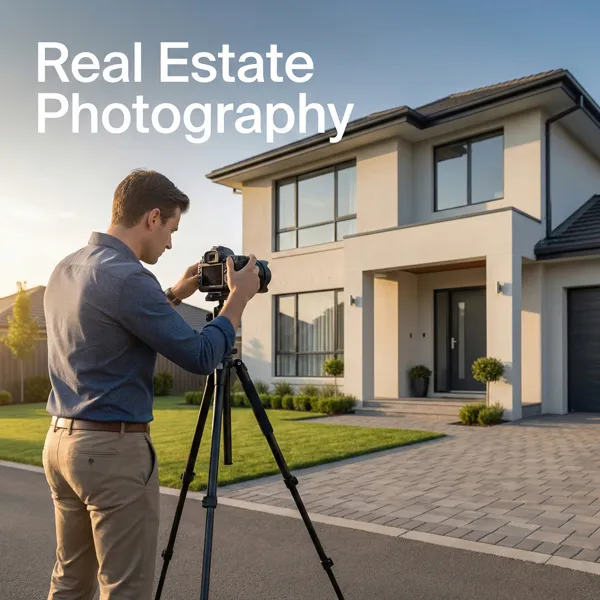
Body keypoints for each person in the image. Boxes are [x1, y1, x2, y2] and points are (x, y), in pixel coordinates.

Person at [41, 169, 259, 600]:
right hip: (111, 454)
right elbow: (200, 356)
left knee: (69, 582)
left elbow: (118, 317)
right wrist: (237, 301)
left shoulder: (67, 267)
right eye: (172, 229)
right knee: (125, 590)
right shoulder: (130, 278)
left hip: (60, 445)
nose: (172, 242)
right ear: (153, 217)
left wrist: (176, 292)